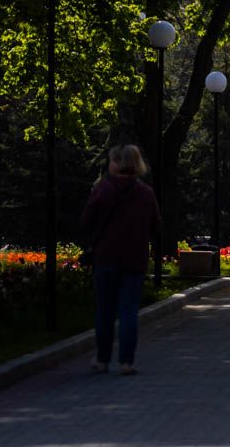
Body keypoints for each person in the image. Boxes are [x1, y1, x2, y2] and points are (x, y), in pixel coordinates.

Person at [80, 144, 160, 376]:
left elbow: (86, 220)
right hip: (135, 259)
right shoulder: (146, 192)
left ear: (116, 162)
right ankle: (126, 362)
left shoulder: (103, 188)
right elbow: (156, 226)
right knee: (128, 311)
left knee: (105, 310)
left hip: (105, 257)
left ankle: (102, 359)